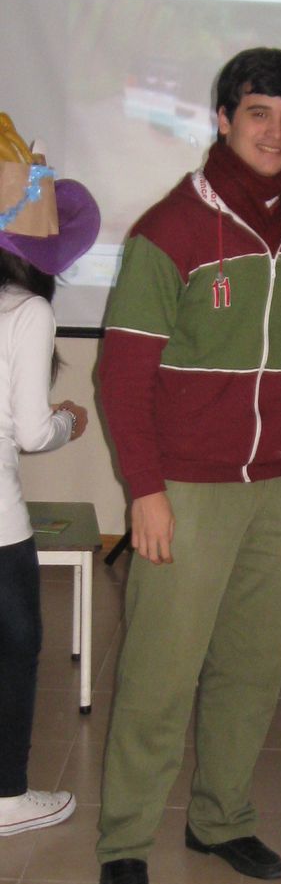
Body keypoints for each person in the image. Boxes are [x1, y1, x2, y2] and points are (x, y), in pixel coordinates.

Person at [96, 47, 281, 884]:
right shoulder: (170, 229)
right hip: (187, 490)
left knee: (251, 668)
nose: (275, 132)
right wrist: (145, 490)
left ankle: (221, 818)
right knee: (160, 674)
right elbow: (122, 376)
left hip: (280, 486)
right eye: (259, 113)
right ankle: (125, 841)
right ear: (225, 118)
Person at [0, 165, 97, 836]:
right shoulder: (28, 310)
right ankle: (6, 797)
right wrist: (68, 420)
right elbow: (33, 433)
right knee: (15, 652)